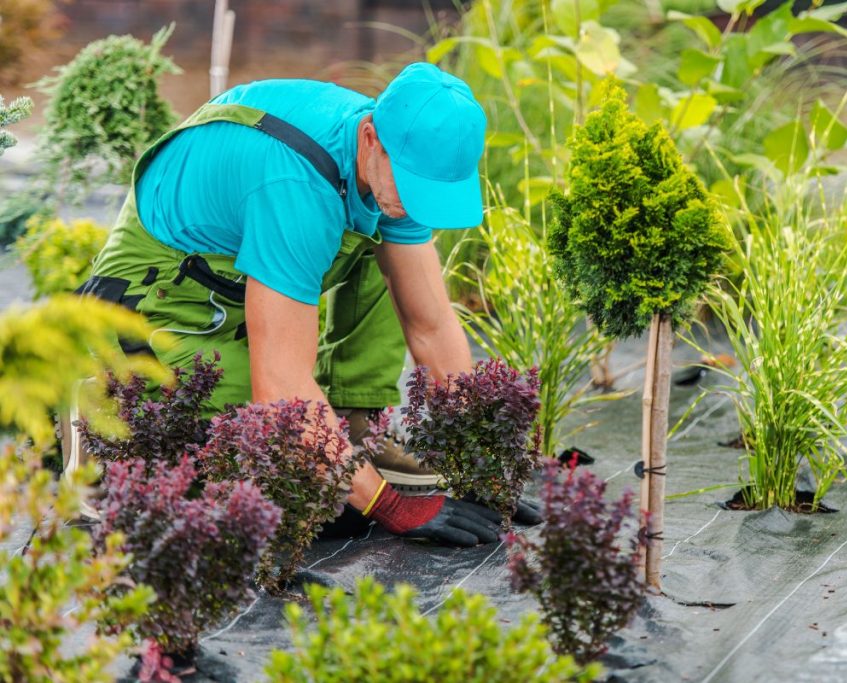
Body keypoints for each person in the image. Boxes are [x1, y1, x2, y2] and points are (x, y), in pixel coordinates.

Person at [75, 62, 539, 546]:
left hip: (237, 274)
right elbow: (281, 387)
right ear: (369, 138)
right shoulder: (295, 185)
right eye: (412, 186)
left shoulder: (390, 170)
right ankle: (98, 407)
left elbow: (432, 326)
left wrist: (481, 471)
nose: (416, 204)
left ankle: (354, 428)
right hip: (160, 296)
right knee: (278, 498)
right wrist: (390, 506)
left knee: (391, 249)